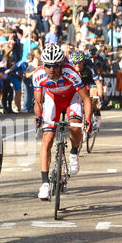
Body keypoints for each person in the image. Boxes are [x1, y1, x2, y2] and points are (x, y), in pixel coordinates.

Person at [33, 44, 92, 200]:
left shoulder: (70, 73)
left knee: (74, 127)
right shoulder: (38, 75)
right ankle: (45, 183)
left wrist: (88, 120)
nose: (51, 69)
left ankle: (73, 152)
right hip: (53, 99)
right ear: (43, 65)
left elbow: (86, 98)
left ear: (61, 65)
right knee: (47, 138)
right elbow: (38, 102)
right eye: (47, 66)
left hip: (72, 98)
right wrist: (38, 116)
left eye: (55, 66)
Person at [69, 50, 104, 130]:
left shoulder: (89, 66)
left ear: (84, 61)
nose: (77, 65)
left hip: (90, 80)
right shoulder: (70, 66)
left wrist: (99, 99)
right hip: (78, 82)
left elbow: (98, 83)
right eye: (75, 63)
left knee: (94, 96)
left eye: (80, 63)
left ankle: (95, 114)